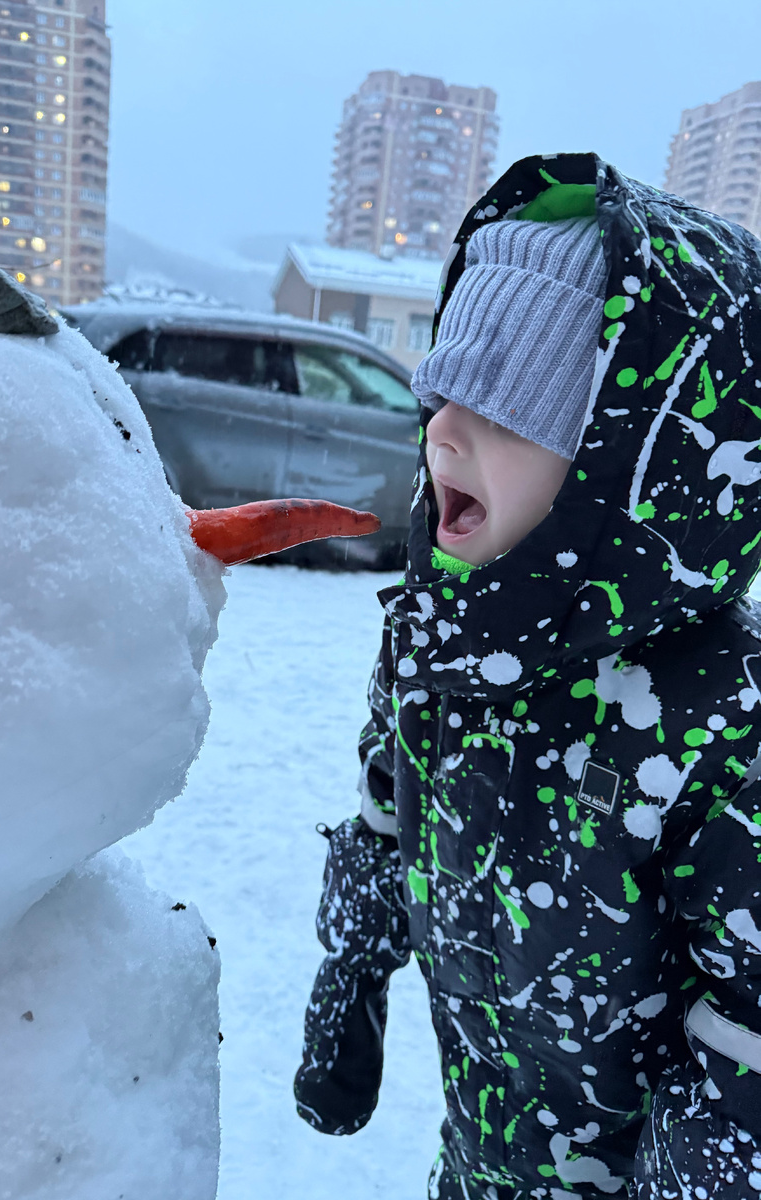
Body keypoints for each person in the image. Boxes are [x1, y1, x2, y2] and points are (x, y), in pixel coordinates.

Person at [294, 152, 761, 1200]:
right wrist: (351, 968)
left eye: (506, 411)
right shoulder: (444, 630)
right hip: (479, 1154)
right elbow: (385, 803)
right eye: (443, 388)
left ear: (630, 467)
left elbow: (750, 1039)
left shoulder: (720, 717)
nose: (443, 430)